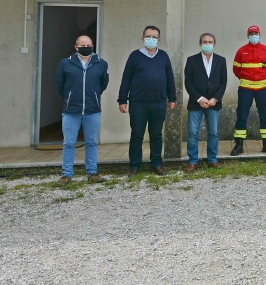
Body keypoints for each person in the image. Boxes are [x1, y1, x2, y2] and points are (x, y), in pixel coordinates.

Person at [118, 26, 177, 176]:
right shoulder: (134, 56)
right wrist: (122, 99)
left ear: (159, 39)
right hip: (138, 103)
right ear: (142, 38)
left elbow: (170, 78)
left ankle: (156, 163)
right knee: (137, 134)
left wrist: (172, 98)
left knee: (156, 134)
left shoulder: (163, 56)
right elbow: (126, 78)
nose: (151, 39)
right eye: (148, 36)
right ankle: (134, 166)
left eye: (154, 37)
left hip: (158, 102)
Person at [54, 35, 109, 185]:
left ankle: (92, 173)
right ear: (76, 47)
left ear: (93, 46)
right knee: (69, 142)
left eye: (88, 45)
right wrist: (70, 98)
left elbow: (103, 84)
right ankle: (66, 175)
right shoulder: (65, 64)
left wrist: (94, 97)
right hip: (71, 111)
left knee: (91, 142)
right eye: (82, 45)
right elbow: (60, 85)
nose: (86, 47)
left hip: (92, 110)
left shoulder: (100, 64)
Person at [183, 33, 228, 172]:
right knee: (192, 133)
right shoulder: (191, 60)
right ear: (200, 44)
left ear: (214, 44)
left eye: (210, 42)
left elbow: (223, 82)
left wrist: (215, 98)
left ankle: (212, 159)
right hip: (196, 103)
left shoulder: (221, 60)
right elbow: (188, 82)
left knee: (213, 133)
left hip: (214, 103)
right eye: (204, 42)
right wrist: (199, 98)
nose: (207, 44)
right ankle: (192, 161)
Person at [231, 25, 266, 156]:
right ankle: (239, 145)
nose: (254, 35)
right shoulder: (241, 51)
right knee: (241, 116)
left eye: (256, 33)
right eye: (251, 33)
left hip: (262, 89)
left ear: (260, 34)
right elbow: (236, 69)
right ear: (247, 35)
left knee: (265, 116)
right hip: (246, 89)